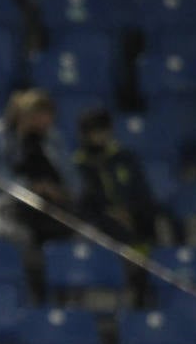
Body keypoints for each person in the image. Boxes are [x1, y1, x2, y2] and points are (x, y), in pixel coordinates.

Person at [0, 87, 80, 253]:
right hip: (3, 205)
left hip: (48, 208)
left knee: (79, 233)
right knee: (12, 232)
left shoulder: (53, 140)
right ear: (21, 116)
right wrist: (29, 187)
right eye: (34, 119)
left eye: (45, 121)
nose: (40, 125)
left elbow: (73, 181)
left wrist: (59, 191)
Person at [72, 106, 167, 250]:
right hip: (101, 221)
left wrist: (129, 212)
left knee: (157, 220)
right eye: (94, 132)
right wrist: (110, 213)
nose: (100, 136)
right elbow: (83, 201)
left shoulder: (124, 158)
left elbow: (141, 191)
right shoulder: (79, 164)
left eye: (103, 130)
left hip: (133, 217)